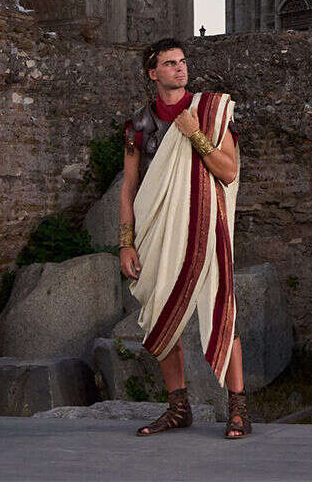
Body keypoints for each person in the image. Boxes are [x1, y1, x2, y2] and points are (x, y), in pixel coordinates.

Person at [117, 38, 250, 439]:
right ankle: (178, 409)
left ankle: (238, 409)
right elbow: (129, 187)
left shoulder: (210, 112)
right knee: (160, 313)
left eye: (182, 61)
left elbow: (228, 171)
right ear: (152, 73)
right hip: (157, 230)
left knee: (221, 309)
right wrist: (125, 242)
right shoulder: (138, 125)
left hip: (207, 226)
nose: (180, 68)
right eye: (170, 63)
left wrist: (195, 134)